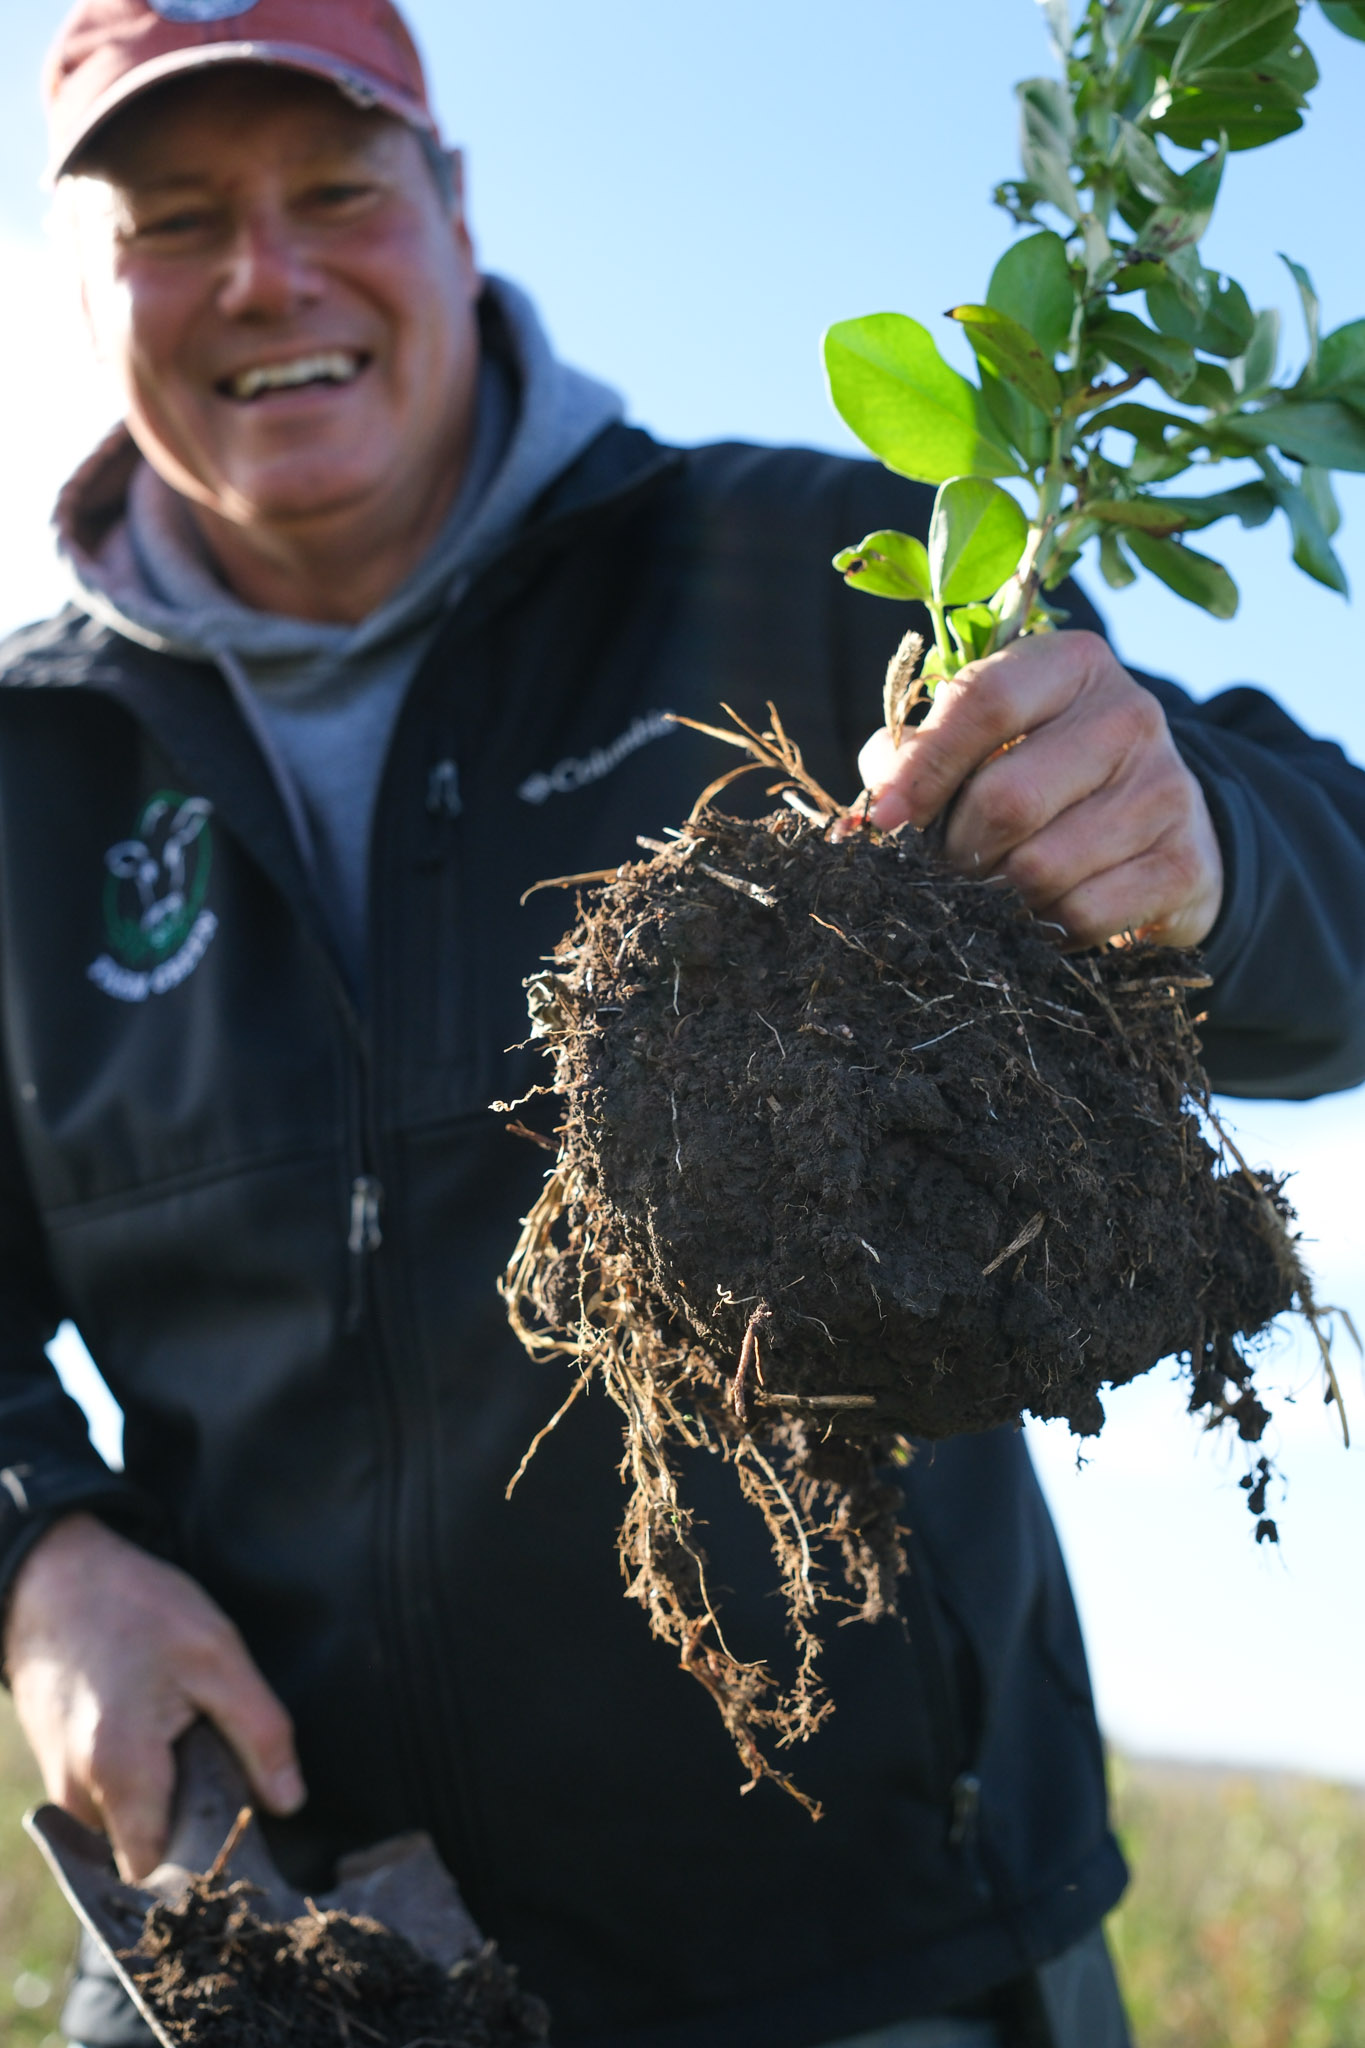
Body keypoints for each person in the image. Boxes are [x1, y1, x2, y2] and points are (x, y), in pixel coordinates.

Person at [3, 4, 1365, 2046]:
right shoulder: (30, 776)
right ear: (93, 280)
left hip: (865, 1954)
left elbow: (1325, 892)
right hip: (293, 1951)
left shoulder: (808, 582)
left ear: (454, 216)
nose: (263, 274)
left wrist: (1205, 855)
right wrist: (43, 1560)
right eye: (176, 218)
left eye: (335, 193)